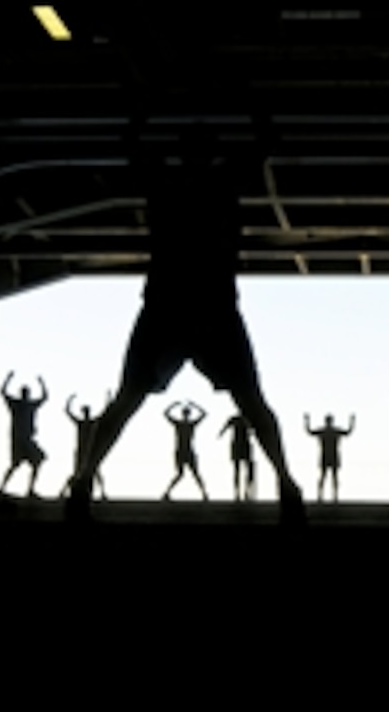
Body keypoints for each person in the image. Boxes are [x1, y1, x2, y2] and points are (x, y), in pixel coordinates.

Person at [64, 140, 304, 524]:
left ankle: (82, 482)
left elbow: (141, 155)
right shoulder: (221, 185)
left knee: (128, 399)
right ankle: (288, 486)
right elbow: (257, 148)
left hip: (167, 304)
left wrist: (140, 117)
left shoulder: (168, 185)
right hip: (213, 304)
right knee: (251, 401)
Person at [0, 371, 48, 498]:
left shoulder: (29, 405)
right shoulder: (16, 404)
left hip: (27, 438)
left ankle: (29, 490)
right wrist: (8, 378)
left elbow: (45, 397)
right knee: (15, 465)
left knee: (37, 461)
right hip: (19, 439)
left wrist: (42, 383)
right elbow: (3, 392)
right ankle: (3, 488)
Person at [61, 394, 106, 500]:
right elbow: (68, 412)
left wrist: (70, 401)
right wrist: (69, 400)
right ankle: (63, 491)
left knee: (91, 472)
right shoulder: (83, 423)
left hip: (88, 452)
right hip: (84, 451)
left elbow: (103, 414)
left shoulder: (89, 422)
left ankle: (103, 493)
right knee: (81, 473)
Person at [305, 413, 355, 502]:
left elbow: (309, 432)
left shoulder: (324, 431)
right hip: (332, 455)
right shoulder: (334, 431)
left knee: (326, 476)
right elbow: (348, 432)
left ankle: (323, 496)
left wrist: (307, 421)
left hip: (327, 455)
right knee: (332, 476)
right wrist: (352, 421)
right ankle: (332, 496)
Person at [163, 400, 208, 501]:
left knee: (184, 474)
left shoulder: (181, 424)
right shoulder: (188, 424)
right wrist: (194, 405)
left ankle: (167, 493)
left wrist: (174, 405)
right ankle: (204, 494)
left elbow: (165, 413)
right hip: (185, 450)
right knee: (191, 474)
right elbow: (204, 414)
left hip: (183, 450)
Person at [220, 414, 255, 501]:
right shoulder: (241, 419)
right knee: (239, 470)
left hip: (241, 444)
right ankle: (240, 493)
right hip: (240, 445)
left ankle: (244, 492)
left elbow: (224, 429)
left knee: (240, 470)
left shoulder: (238, 419)